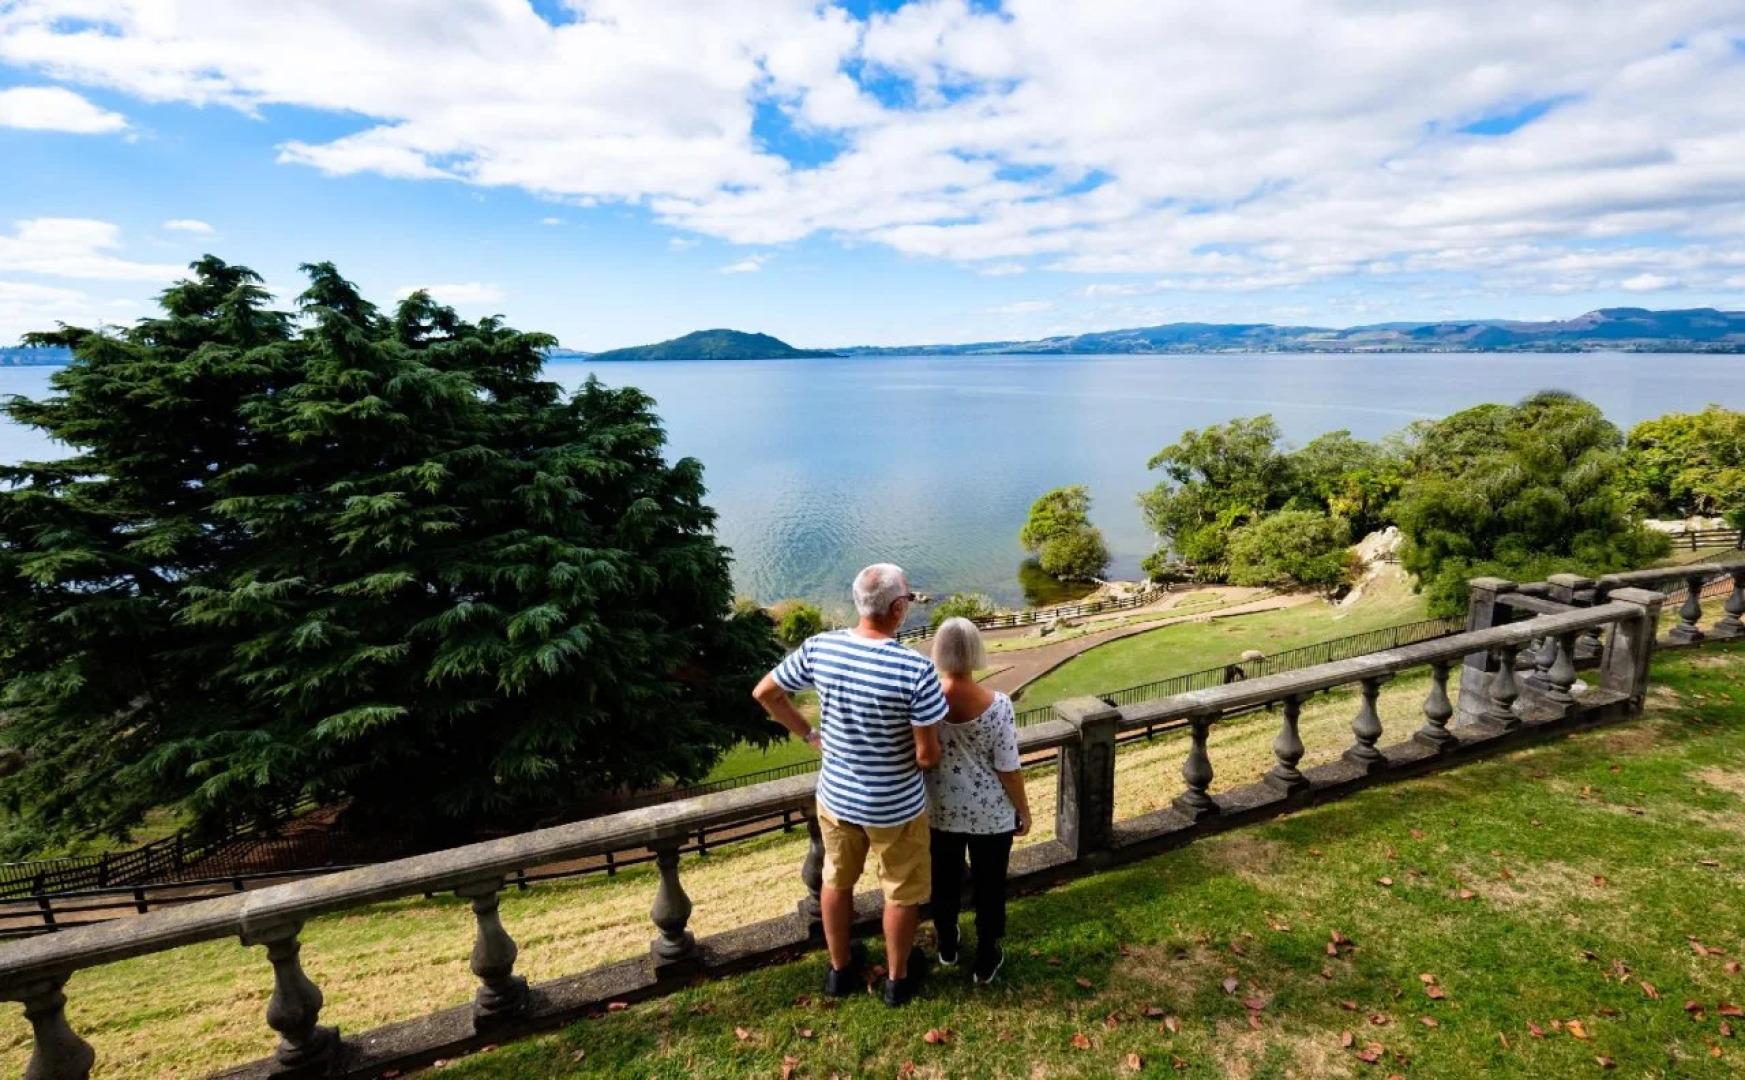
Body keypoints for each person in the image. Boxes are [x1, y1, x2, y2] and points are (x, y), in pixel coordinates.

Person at [753, 563, 945, 1007]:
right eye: (910, 599)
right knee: (901, 891)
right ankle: (897, 981)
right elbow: (927, 755)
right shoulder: (915, 669)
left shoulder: (822, 648)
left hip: (837, 798)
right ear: (897, 609)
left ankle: (839, 970)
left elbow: (766, 693)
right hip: (895, 808)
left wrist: (808, 734)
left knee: (836, 882)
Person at [924, 616, 1031, 985]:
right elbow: (1008, 768)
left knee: (944, 881)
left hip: (940, 811)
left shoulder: (925, 704)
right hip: (991, 814)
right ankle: (986, 955)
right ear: (975, 651)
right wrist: (1024, 810)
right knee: (990, 886)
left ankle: (948, 944)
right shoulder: (998, 705)